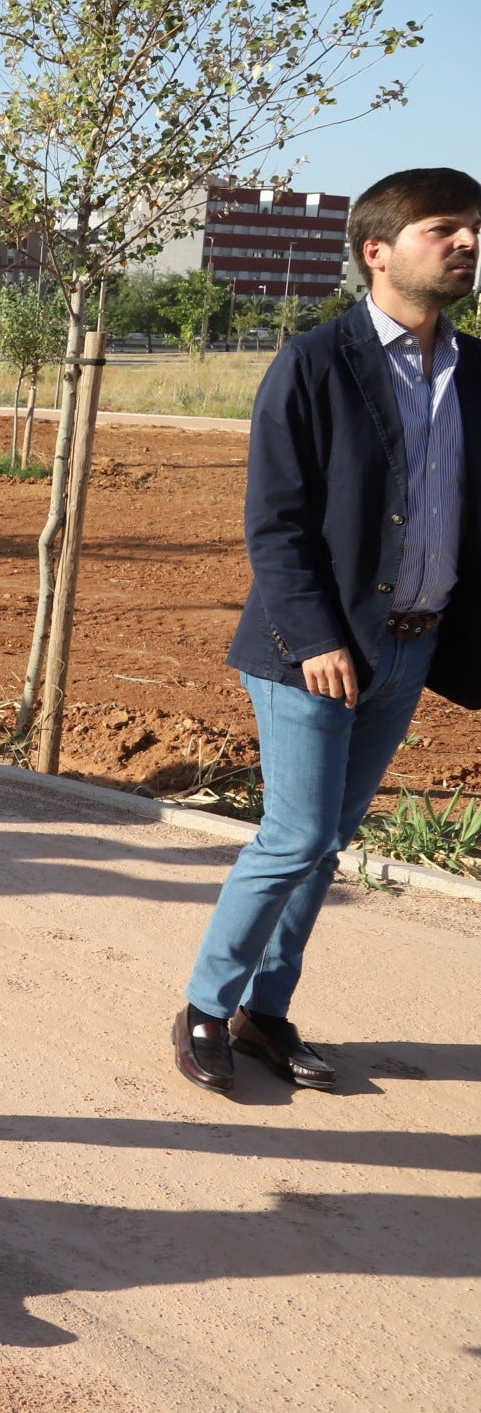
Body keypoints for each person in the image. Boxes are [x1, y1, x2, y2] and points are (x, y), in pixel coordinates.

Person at [175, 168, 481, 1096]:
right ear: (377, 251)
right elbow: (274, 520)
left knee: (330, 838)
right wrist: (317, 640)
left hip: (411, 643)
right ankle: (202, 1005)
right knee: (295, 834)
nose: (468, 245)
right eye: (446, 230)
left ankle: (266, 1011)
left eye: (475, 230)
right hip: (311, 648)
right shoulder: (313, 362)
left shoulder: (478, 371)